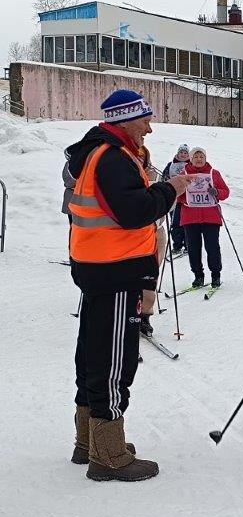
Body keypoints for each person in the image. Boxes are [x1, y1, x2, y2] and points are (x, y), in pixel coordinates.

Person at [65, 89, 193, 481]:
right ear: (124, 121)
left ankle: (88, 441)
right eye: (144, 121)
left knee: (92, 352)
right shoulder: (112, 158)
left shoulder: (100, 154)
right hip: (116, 271)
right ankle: (109, 455)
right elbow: (135, 211)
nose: (150, 129)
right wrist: (172, 189)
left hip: (98, 267)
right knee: (115, 360)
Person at [178, 147, 230, 289]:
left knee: (212, 247)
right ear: (191, 159)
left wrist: (217, 192)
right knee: (193, 248)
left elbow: (226, 192)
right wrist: (183, 196)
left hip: (211, 216)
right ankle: (198, 276)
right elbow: (177, 195)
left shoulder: (214, 173)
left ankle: (215, 275)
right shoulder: (184, 174)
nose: (199, 159)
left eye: (202, 157)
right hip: (190, 217)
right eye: (196, 157)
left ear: (205, 158)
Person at [138, 140, 167, 338]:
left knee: (150, 277)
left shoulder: (155, 177)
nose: (139, 159)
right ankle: (131, 315)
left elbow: (167, 203)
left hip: (156, 232)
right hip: (132, 236)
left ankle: (145, 316)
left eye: (142, 156)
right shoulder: (122, 176)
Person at [162, 144, 191, 254]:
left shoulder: (191, 165)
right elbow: (164, 177)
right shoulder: (171, 165)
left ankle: (189, 245)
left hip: (187, 199)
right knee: (175, 222)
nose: (183, 155)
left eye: (185, 153)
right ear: (178, 153)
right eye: (181, 152)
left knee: (187, 222)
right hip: (174, 197)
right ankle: (177, 245)